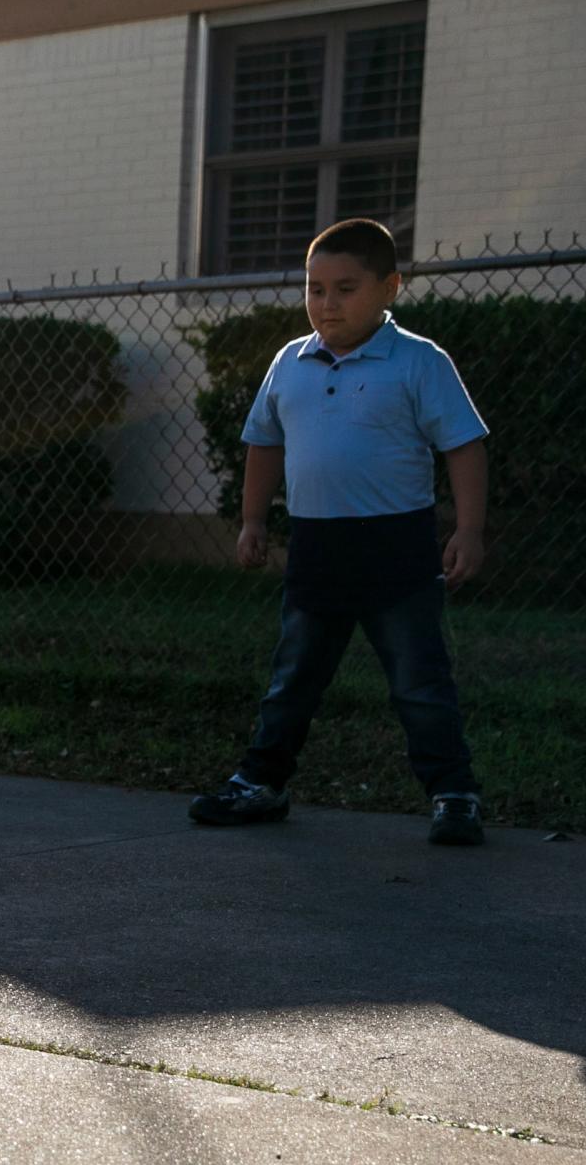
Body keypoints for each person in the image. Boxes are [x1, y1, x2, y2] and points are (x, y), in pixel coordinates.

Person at [190, 216, 491, 846]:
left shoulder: (418, 362)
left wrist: (468, 529)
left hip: (397, 549)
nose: (326, 303)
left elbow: (463, 445)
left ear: (390, 288)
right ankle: (260, 784)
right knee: (293, 676)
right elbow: (263, 444)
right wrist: (252, 519)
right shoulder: (289, 362)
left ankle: (454, 794)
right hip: (316, 546)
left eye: (346, 288)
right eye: (315, 287)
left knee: (419, 680)